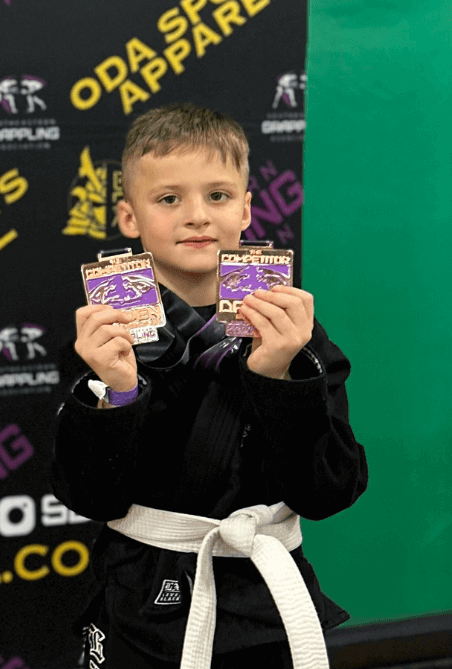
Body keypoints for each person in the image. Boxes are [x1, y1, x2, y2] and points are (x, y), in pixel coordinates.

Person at [51, 104, 367, 669]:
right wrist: (119, 392)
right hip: (144, 602)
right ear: (129, 217)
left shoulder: (294, 331)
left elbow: (330, 492)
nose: (197, 216)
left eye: (218, 196)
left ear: (247, 208)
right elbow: (90, 497)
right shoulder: (103, 338)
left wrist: (276, 376)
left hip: (265, 607)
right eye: (169, 199)